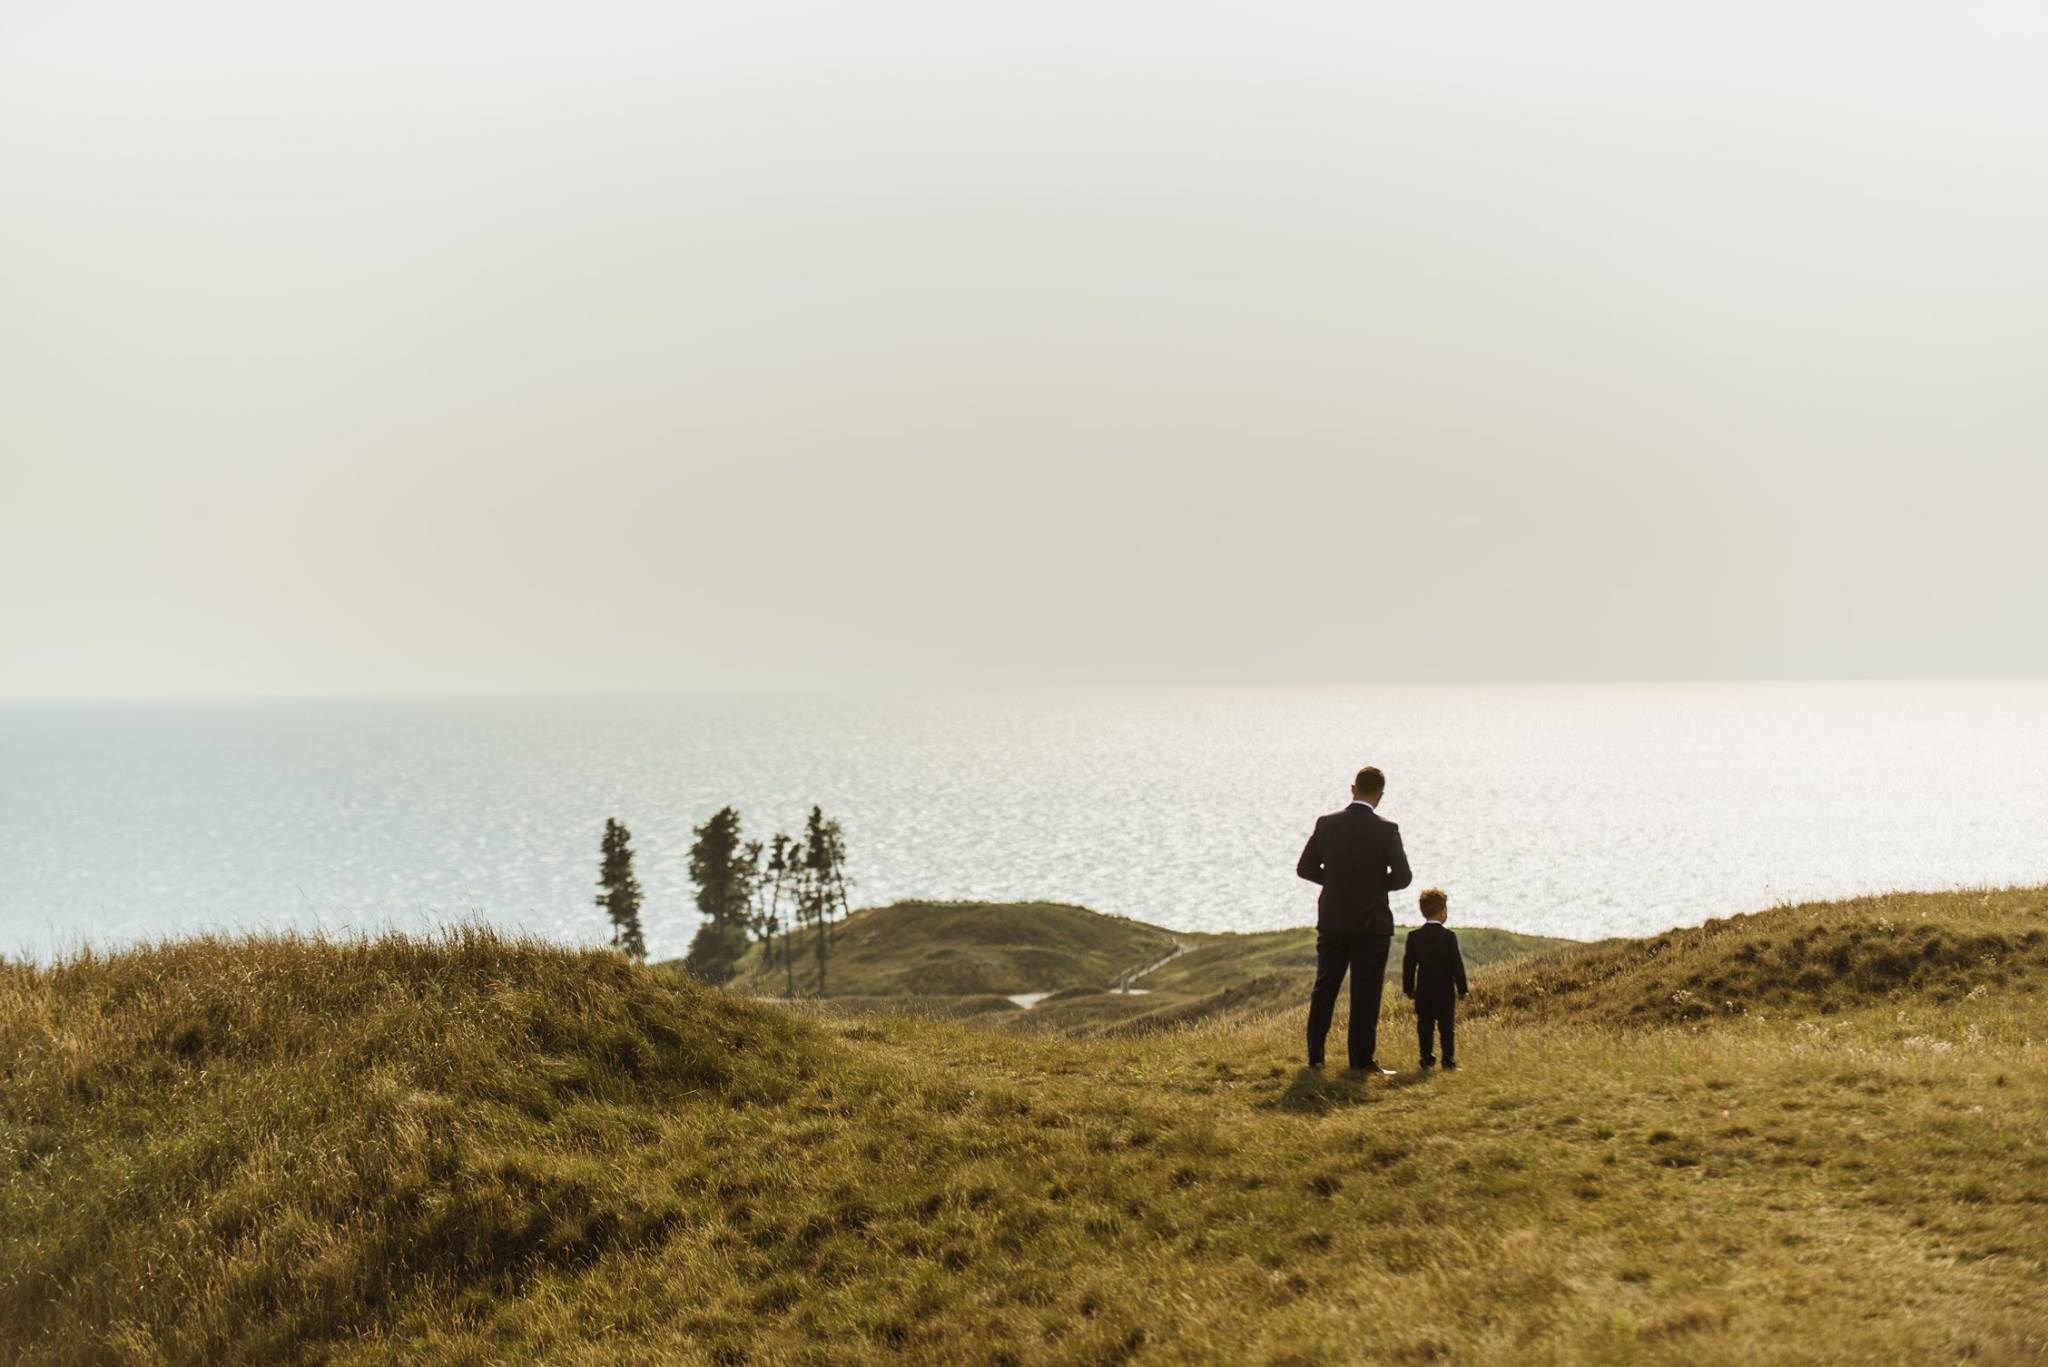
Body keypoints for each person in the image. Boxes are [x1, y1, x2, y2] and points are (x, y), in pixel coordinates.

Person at [1296, 765, 1413, 1073]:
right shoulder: (1388, 830)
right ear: (1380, 796)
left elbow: (1305, 869)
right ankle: (1360, 1061)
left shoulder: (1326, 824)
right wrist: (1372, 886)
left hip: (1333, 918)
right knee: (1366, 991)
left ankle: (1316, 1057)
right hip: (1371, 922)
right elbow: (1403, 877)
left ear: (1353, 789)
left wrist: (1336, 882)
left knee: (1325, 987)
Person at [1402, 888, 1469, 1070]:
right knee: (1446, 1027)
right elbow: (1457, 965)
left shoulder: (1414, 937)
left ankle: (1426, 1058)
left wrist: (1408, 988)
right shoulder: (1449, 937)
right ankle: (1448, 1060)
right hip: (1445, 991)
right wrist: (1462, 989)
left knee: (1425, 1026)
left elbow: (1409, 965)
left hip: (1423, 990)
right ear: (1442, 912)